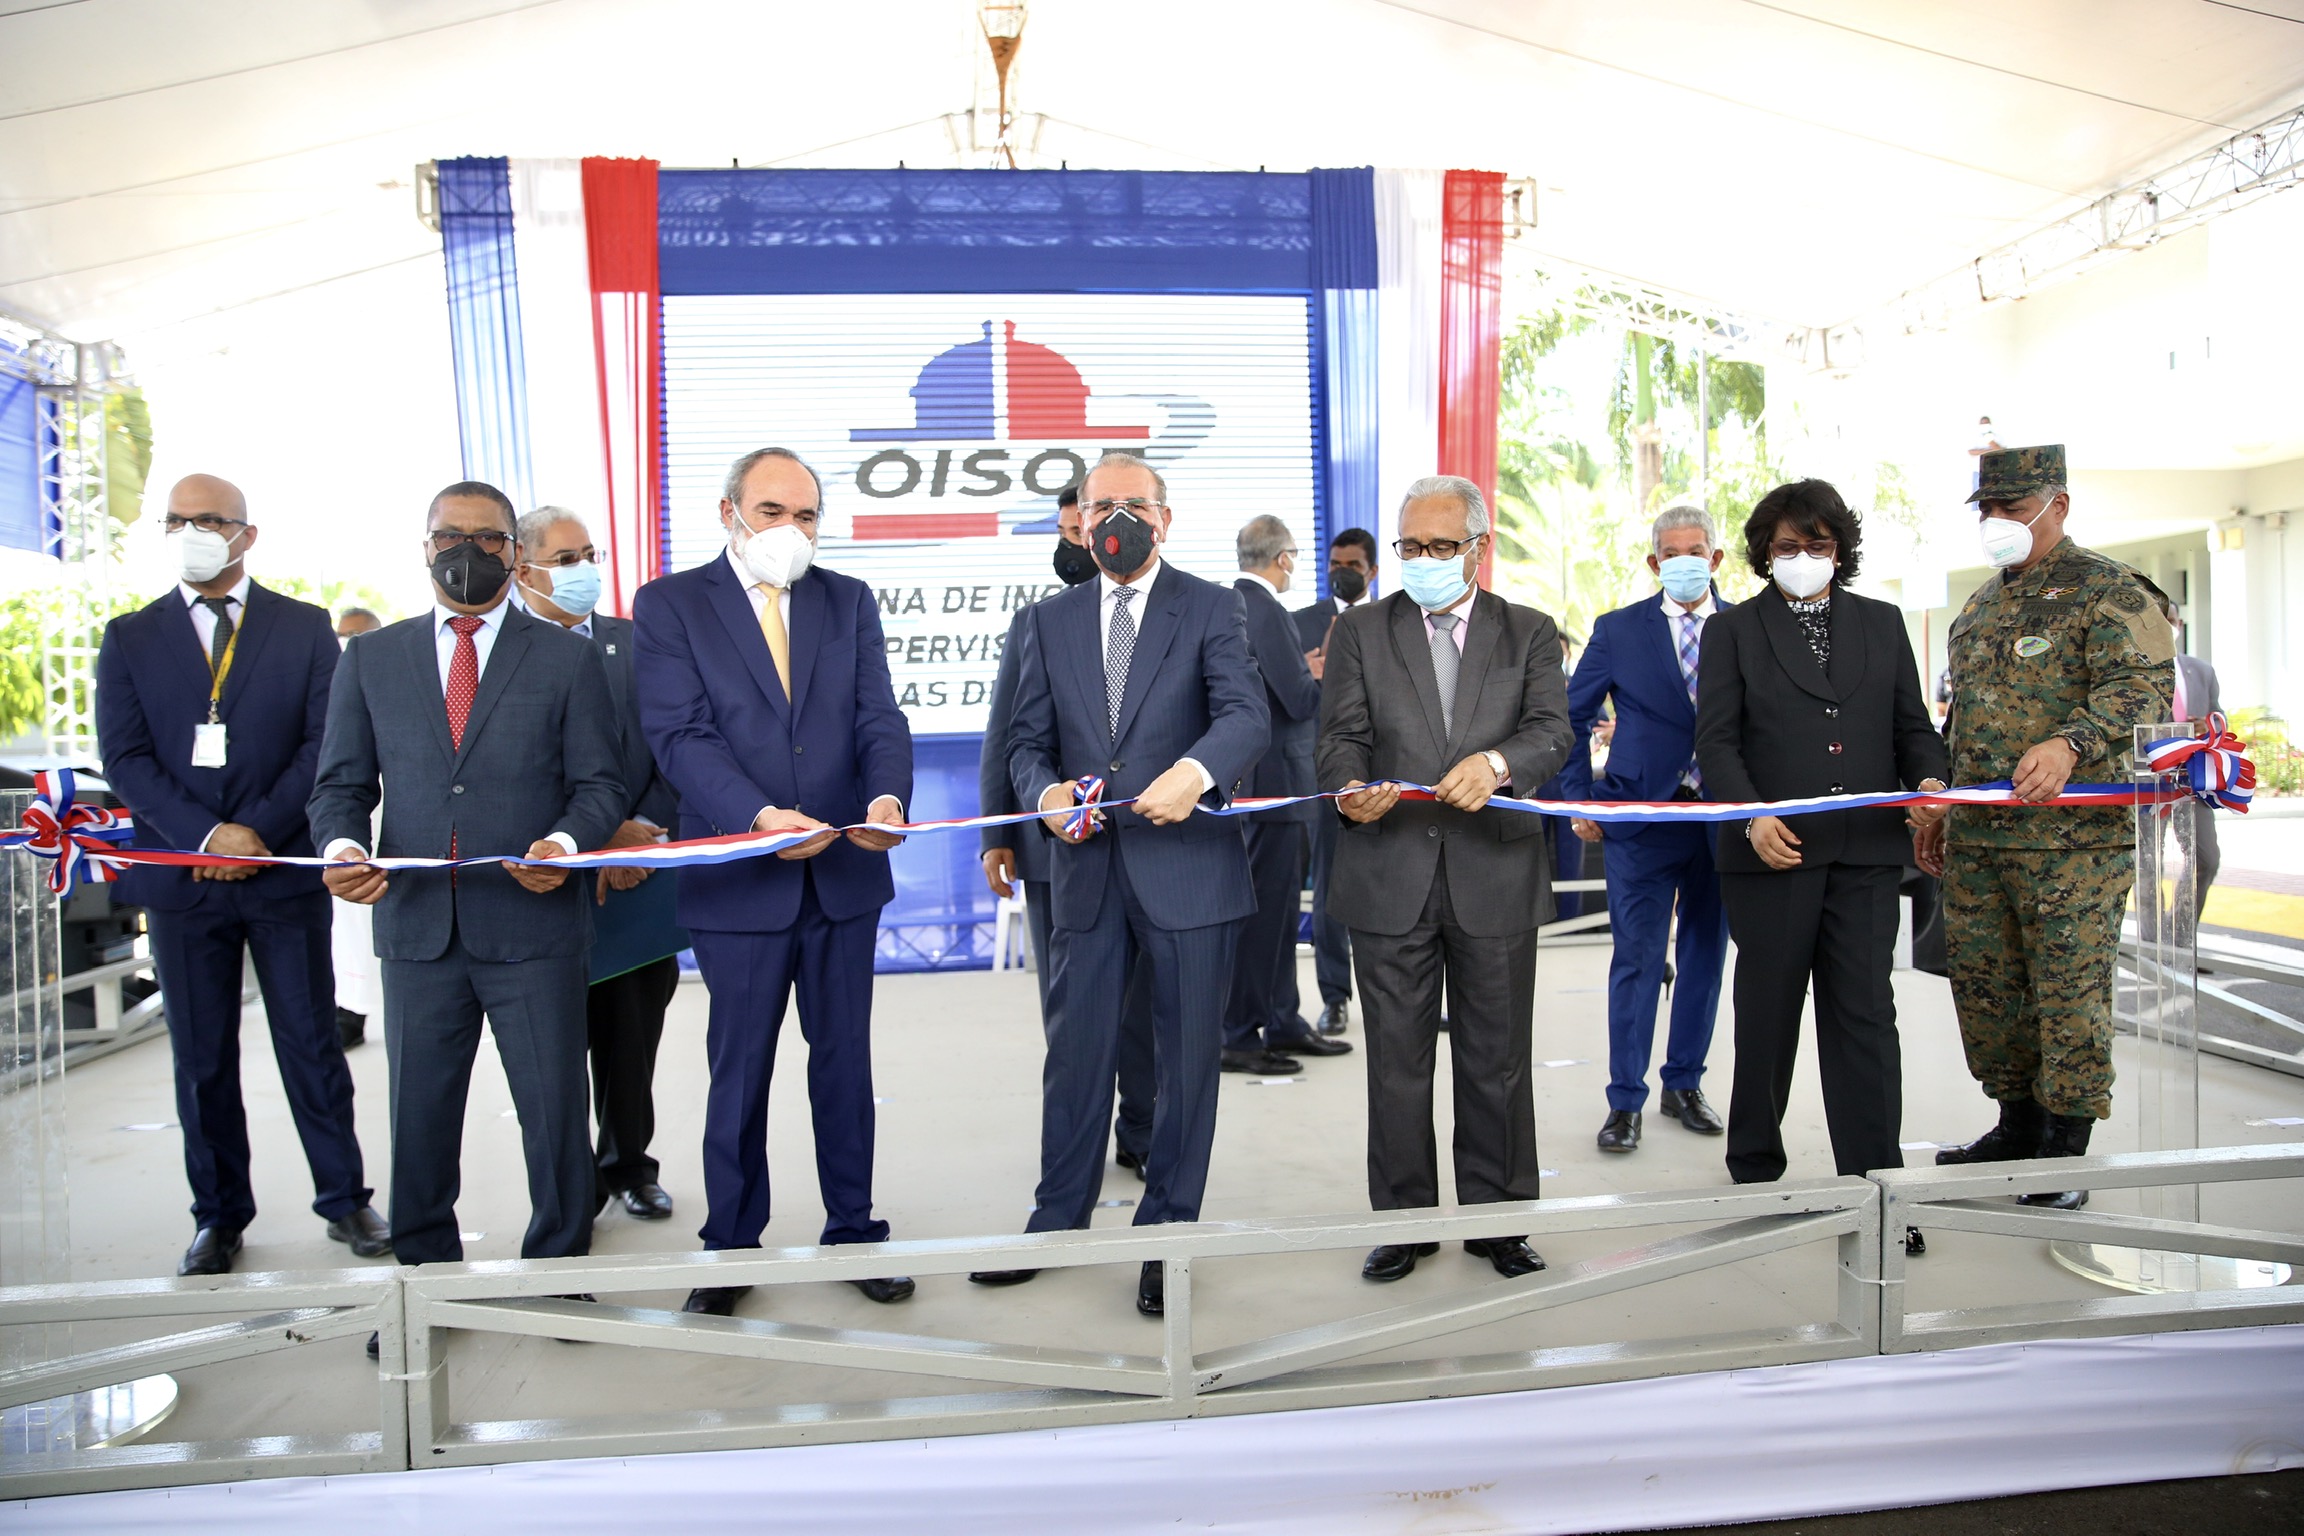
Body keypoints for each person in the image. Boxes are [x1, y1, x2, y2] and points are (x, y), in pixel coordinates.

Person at [310, 480, 623, 1285]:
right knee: (419, 1118)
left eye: (488, 539)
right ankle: (424, 1284)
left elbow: (600, 787)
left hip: (535, 926)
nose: (468, 552)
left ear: (515, 555)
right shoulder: (372, 659)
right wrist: (341, 846)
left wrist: (563, 845)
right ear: (425, 547)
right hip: (417, 929)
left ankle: (559, 1274)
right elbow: (339, 786)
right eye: (451, 536)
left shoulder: (567, 657)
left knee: (554, 1114)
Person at [983, 450, 1268, 1317]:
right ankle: (1055, 1218)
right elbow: (1026, 741)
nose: (1116, 521)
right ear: (1078, 520)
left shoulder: (1212, 607)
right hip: (1085, 871)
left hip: (1189, 870)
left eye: (1133, 505)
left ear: (1164, 518)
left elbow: (1246, 715)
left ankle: (1166, 1236)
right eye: (1100, 505)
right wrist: (1043, 795)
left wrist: (1196, 772)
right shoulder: (1046, 621)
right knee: (1075, 1054)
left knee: (1185, 1063)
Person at [633, 447, 915, 1317]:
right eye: (771, 511)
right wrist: (757, 817)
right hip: (740, 883)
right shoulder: (671, 604)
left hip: (844, 876)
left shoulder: (847, 599)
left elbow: (878, 715)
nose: (791, 529)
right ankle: (729, 1247)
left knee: (844, 1066)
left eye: (806, 515)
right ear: (728, 513)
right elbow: (679, 736)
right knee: (740, 1071)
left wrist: (887, 797)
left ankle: (854, 1229)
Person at [94, 473, 385, 1277]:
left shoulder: (303, 628)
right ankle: (218, 1216)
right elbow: (126, 759)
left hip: (279, 870)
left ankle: (345, 1199)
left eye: (210, 520)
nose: (192, 533)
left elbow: (326, 745)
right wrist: (206, 836)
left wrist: (253, 832)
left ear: (246, 534)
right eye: (177, 520)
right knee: (202, 1057)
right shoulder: (130, 636)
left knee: (311, 1044)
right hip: (183, 882)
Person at [1317, 475, 1572, 1284]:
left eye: (1440, 546)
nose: (1423, 560)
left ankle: (1499, 1224)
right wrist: (1348, 789)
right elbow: (1339, 737)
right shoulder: (1362, 631)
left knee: (1497, 1059)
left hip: (1494, 870)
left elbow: (1551, 731)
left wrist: (1497, 764)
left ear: (1478, 548)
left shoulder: (1529, 631)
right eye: (1410, 547)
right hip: (1387, 870)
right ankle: (1407, 1223)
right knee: (1396, 1061)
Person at [1920, 447, 2173, 1207]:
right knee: (1989, 992)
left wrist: (2071, 743)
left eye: (2012, 507)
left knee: (2069, 997)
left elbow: (2145, 691)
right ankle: (2015, 1125)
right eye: (1988, 510)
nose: (1997, 522)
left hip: (2073, 849)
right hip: (1982, 842)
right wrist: (1945, 801)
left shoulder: (2110, 591)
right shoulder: (1980, 607)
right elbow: (1964, 721)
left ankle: (2065, 1148)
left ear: (2056, 505)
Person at [1694, 480, 1948, 1230]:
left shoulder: (1881, 622)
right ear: (1764, 554)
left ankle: (1877, 1186)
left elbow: (1912, 727)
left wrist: (1930, 780)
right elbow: (1717, 742)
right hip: (1770, 855)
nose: (1803, 557)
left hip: (1865, 854)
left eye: (1818, 545)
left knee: (1865, 1019)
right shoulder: (1732, 631)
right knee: (1768, 1017)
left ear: (1840, 550)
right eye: (1787, 546)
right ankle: (1755, 1172)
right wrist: (1752, 816)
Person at [979, 485, 1157, 1181]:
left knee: (1142, 1004)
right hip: (1055, 850)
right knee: (1071, 1009)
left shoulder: (1173, 612)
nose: (1080, 542)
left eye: (1086, 527)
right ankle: (1072, 1148)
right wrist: (997, 832)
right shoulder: (1038, 622)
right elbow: (1007, 732)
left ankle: (1141, 1128)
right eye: (1069, 531)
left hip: (1145, 842)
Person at [514, 506, 684, 1223]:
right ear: (521, 568)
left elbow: (678, 742)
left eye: (589, 554)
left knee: (632, 1030)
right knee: (555, 1039)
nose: (582, 570)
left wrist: (637, 832)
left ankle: (629, 1165)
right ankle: (570, 1181)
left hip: (638, 871)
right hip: (545, 875)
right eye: (564, 559)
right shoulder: (502, 650)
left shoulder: (639, 644)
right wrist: (593, 833)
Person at [1561, 504, 1733, 1155]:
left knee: (1704, 957)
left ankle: (1683, 1084)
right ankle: (1625, 1099)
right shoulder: (1619, 630)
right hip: (1638, 820)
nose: (1685, 561)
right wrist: (1581, 799)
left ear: (1716, 559)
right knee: (1636, 960)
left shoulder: (1745, 627)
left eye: (1697, 551)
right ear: (1654, 562)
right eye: (1672, 552)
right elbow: (1571, 716)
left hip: (1720, 821)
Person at [1225, 515, 1349, 1072]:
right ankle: (1239, 1033)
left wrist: (1303, 669)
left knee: (1276, 919)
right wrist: (1326, 673)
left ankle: (1282, 1019)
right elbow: (1298, 701)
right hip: (1274, 785)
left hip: (1266, 785)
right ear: (1282, 558)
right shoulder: (1266, 608)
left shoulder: (1236, 604)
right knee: (1263, 920)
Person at [1293, 527, 1378, 1035]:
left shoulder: (1393, 620)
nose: (1341, 573)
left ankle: (1405, 998)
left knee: (1395, 888)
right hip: (1322, 776)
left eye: (1352, 566)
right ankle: (1334, 997)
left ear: (1372, 571)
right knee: (1329, 889)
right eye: (1334, 565)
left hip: (1386, 774)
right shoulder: (1301, 623)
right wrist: (1308, 673)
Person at [327, 607, 384, 1051]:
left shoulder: (390, 675)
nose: (349, 642)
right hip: (347, 830)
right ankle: (350, 1008)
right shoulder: (331, 682)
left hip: (390, 821)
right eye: (343, 635)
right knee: (347, 925)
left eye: (358, 634)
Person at [2152, 580, 2222, 920]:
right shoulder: (2133, 674)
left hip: (2192, 782)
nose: (2168, 627)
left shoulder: (2202, 671)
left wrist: (2207, 726)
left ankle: (2179, 931)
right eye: (2160, 620)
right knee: (2147, 864)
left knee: (2206, 859)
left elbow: (2219, 717)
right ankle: (2151, 935)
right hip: (2146, 785)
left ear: (2179, 624)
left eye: (2172, 621)